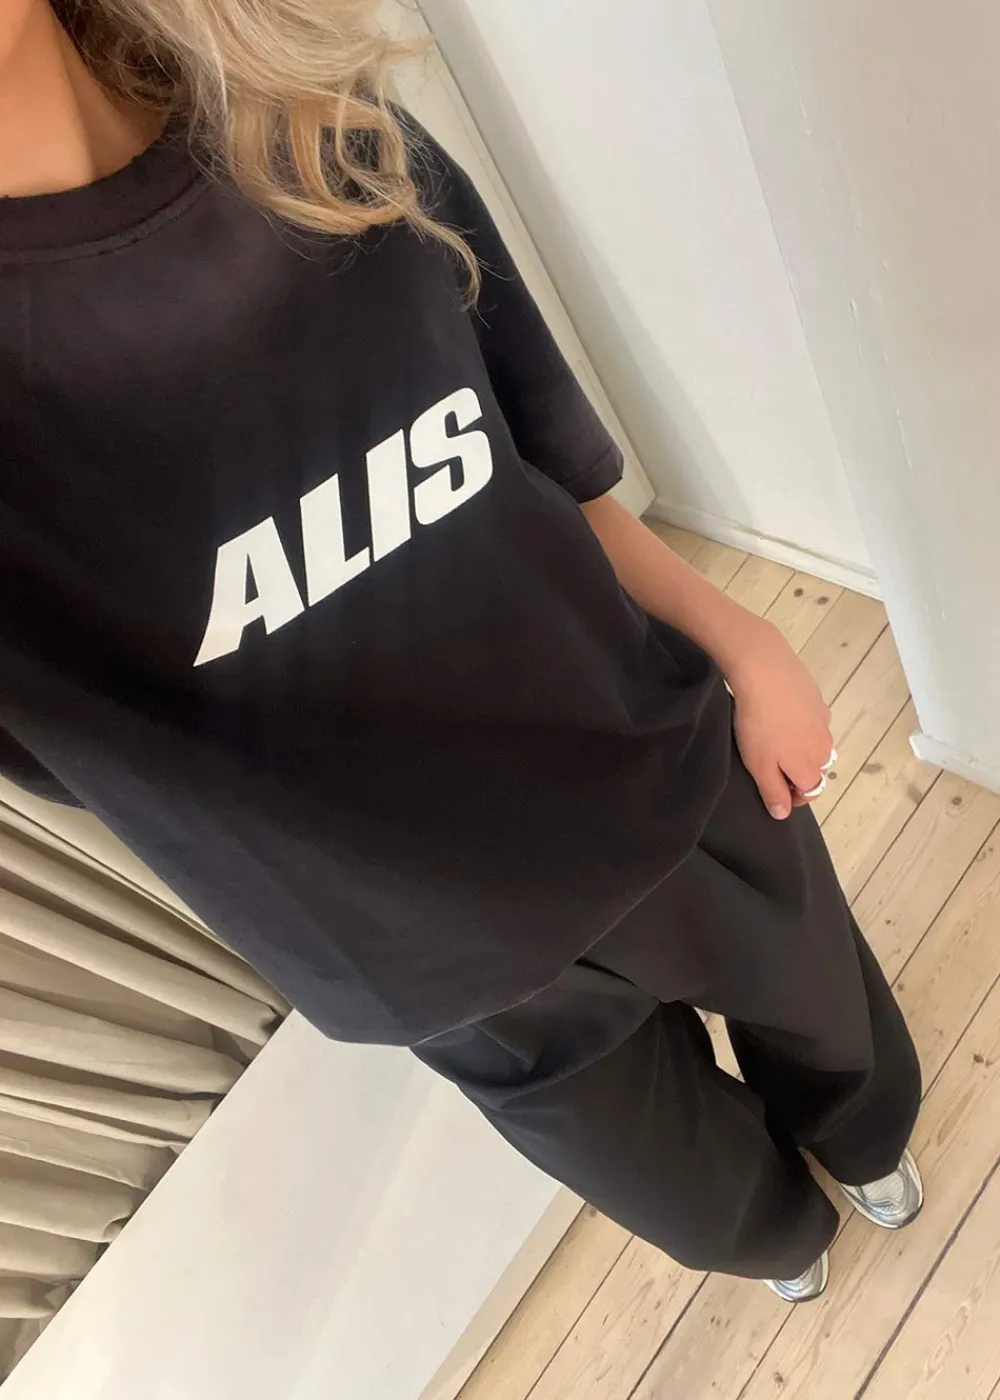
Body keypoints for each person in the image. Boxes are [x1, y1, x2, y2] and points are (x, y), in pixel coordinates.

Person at [0, 0, 922, 1304]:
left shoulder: (315, 127)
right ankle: (786, 1243)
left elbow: (538, 445)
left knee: (829, 1020)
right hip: (422, 943)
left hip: (643, 757)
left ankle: (869, 1150)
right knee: (689, 1192)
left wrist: (738, 633)